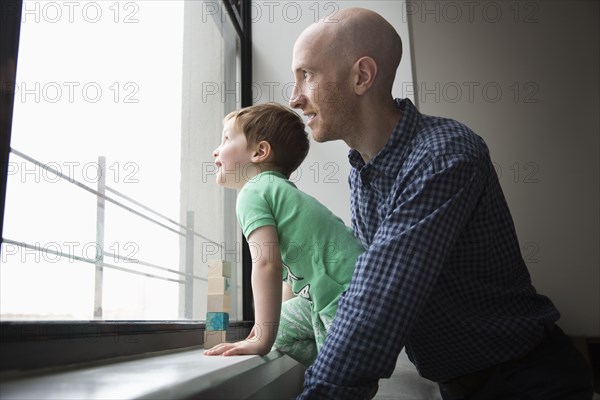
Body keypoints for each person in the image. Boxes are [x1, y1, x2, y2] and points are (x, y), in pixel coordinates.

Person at [289, 7, 594, 400]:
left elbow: (379, 298)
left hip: (528, 382)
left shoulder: (444, 153)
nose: (295, 98)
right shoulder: (361, 173)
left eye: (306, 75)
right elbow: (367, 278)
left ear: (361, 76)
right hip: (463, 386)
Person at [204, 102, 365, 366]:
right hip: (347, 293)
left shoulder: (252, 191)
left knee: (334, 386)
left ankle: (342, 369)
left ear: (260, 151)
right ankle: (338, 362)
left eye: (225, 139)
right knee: (283, 338)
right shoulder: (279, 192)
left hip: (345, 300)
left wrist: (261, 338)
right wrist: (267, 330)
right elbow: (288, 280)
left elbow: (267, 263)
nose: (215, 151)